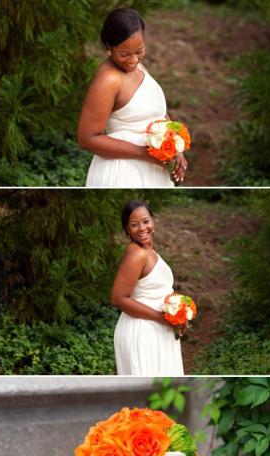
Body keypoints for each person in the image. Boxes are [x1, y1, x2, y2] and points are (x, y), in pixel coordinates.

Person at [78, 8, 188, 187]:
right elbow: (87, 138)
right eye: (124, 54)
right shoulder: (108, 80)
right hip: (122, 171)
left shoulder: (139, 68)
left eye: (139, 50)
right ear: (108, 47)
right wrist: (143, 153)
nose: (133, 60)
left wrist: (176, 147)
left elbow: (158, 114)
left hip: (151, 168)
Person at [111, 200, 184, 376]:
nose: (142, 228)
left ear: (153, 221)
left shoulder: (149, 251)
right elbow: (118, 298)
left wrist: (179, 314)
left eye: (146, 221)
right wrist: (162, 318)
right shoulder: (136, 253)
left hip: (156, 329)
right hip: (143, 332)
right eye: (134, 225)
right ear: (127, 230)